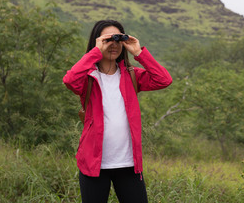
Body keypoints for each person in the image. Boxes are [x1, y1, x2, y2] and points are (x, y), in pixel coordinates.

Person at [63, 20, 172, 203]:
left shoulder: (131, 75)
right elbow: (69, 80)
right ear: (97, 42)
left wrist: (138, 52)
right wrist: (95, 53)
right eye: (107, 40)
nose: (114, 44)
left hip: (129, 164)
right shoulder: (88, 77)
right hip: (94, 164)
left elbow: (164, 79)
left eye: (118, 39)